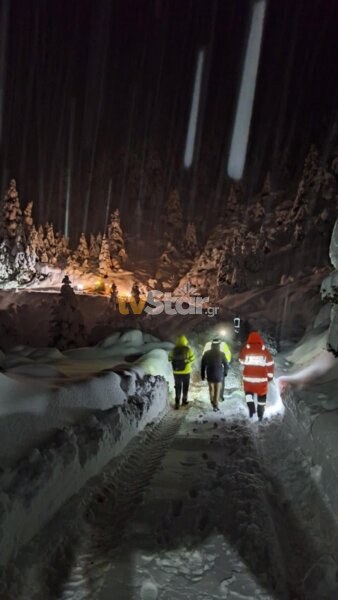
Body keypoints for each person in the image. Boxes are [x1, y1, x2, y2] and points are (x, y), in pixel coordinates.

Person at [238, 331, 274, 421]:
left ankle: (251, 410)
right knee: (261, 397)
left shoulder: (246, 348)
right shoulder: (263, 349)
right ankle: (260, 415)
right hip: (261, 380)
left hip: (248, 379)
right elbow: (270, 364)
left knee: (248, 394)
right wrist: (270, 376)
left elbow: (241, 361)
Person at [201, 340, 228, 411]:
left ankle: (212, 401)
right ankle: (216, 404)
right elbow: (226, 364)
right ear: (219, 346)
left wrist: (202, 374)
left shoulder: (206, 353)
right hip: (219, 374)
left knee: (211, 388)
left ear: (211, 345)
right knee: (217, 389)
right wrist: (225, 372)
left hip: (210, 373)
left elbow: (203, 365)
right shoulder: (222, 354)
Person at [169, 335, 195, 409]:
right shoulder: (188, 349)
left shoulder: (173, 350)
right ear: (185, 341)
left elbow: (169, 358)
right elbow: (193, 358)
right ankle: (184, 401)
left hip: (176, 372)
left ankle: (177, 403)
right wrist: (187, 362)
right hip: (186, 371)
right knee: (185, 387)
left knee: (178, 387)